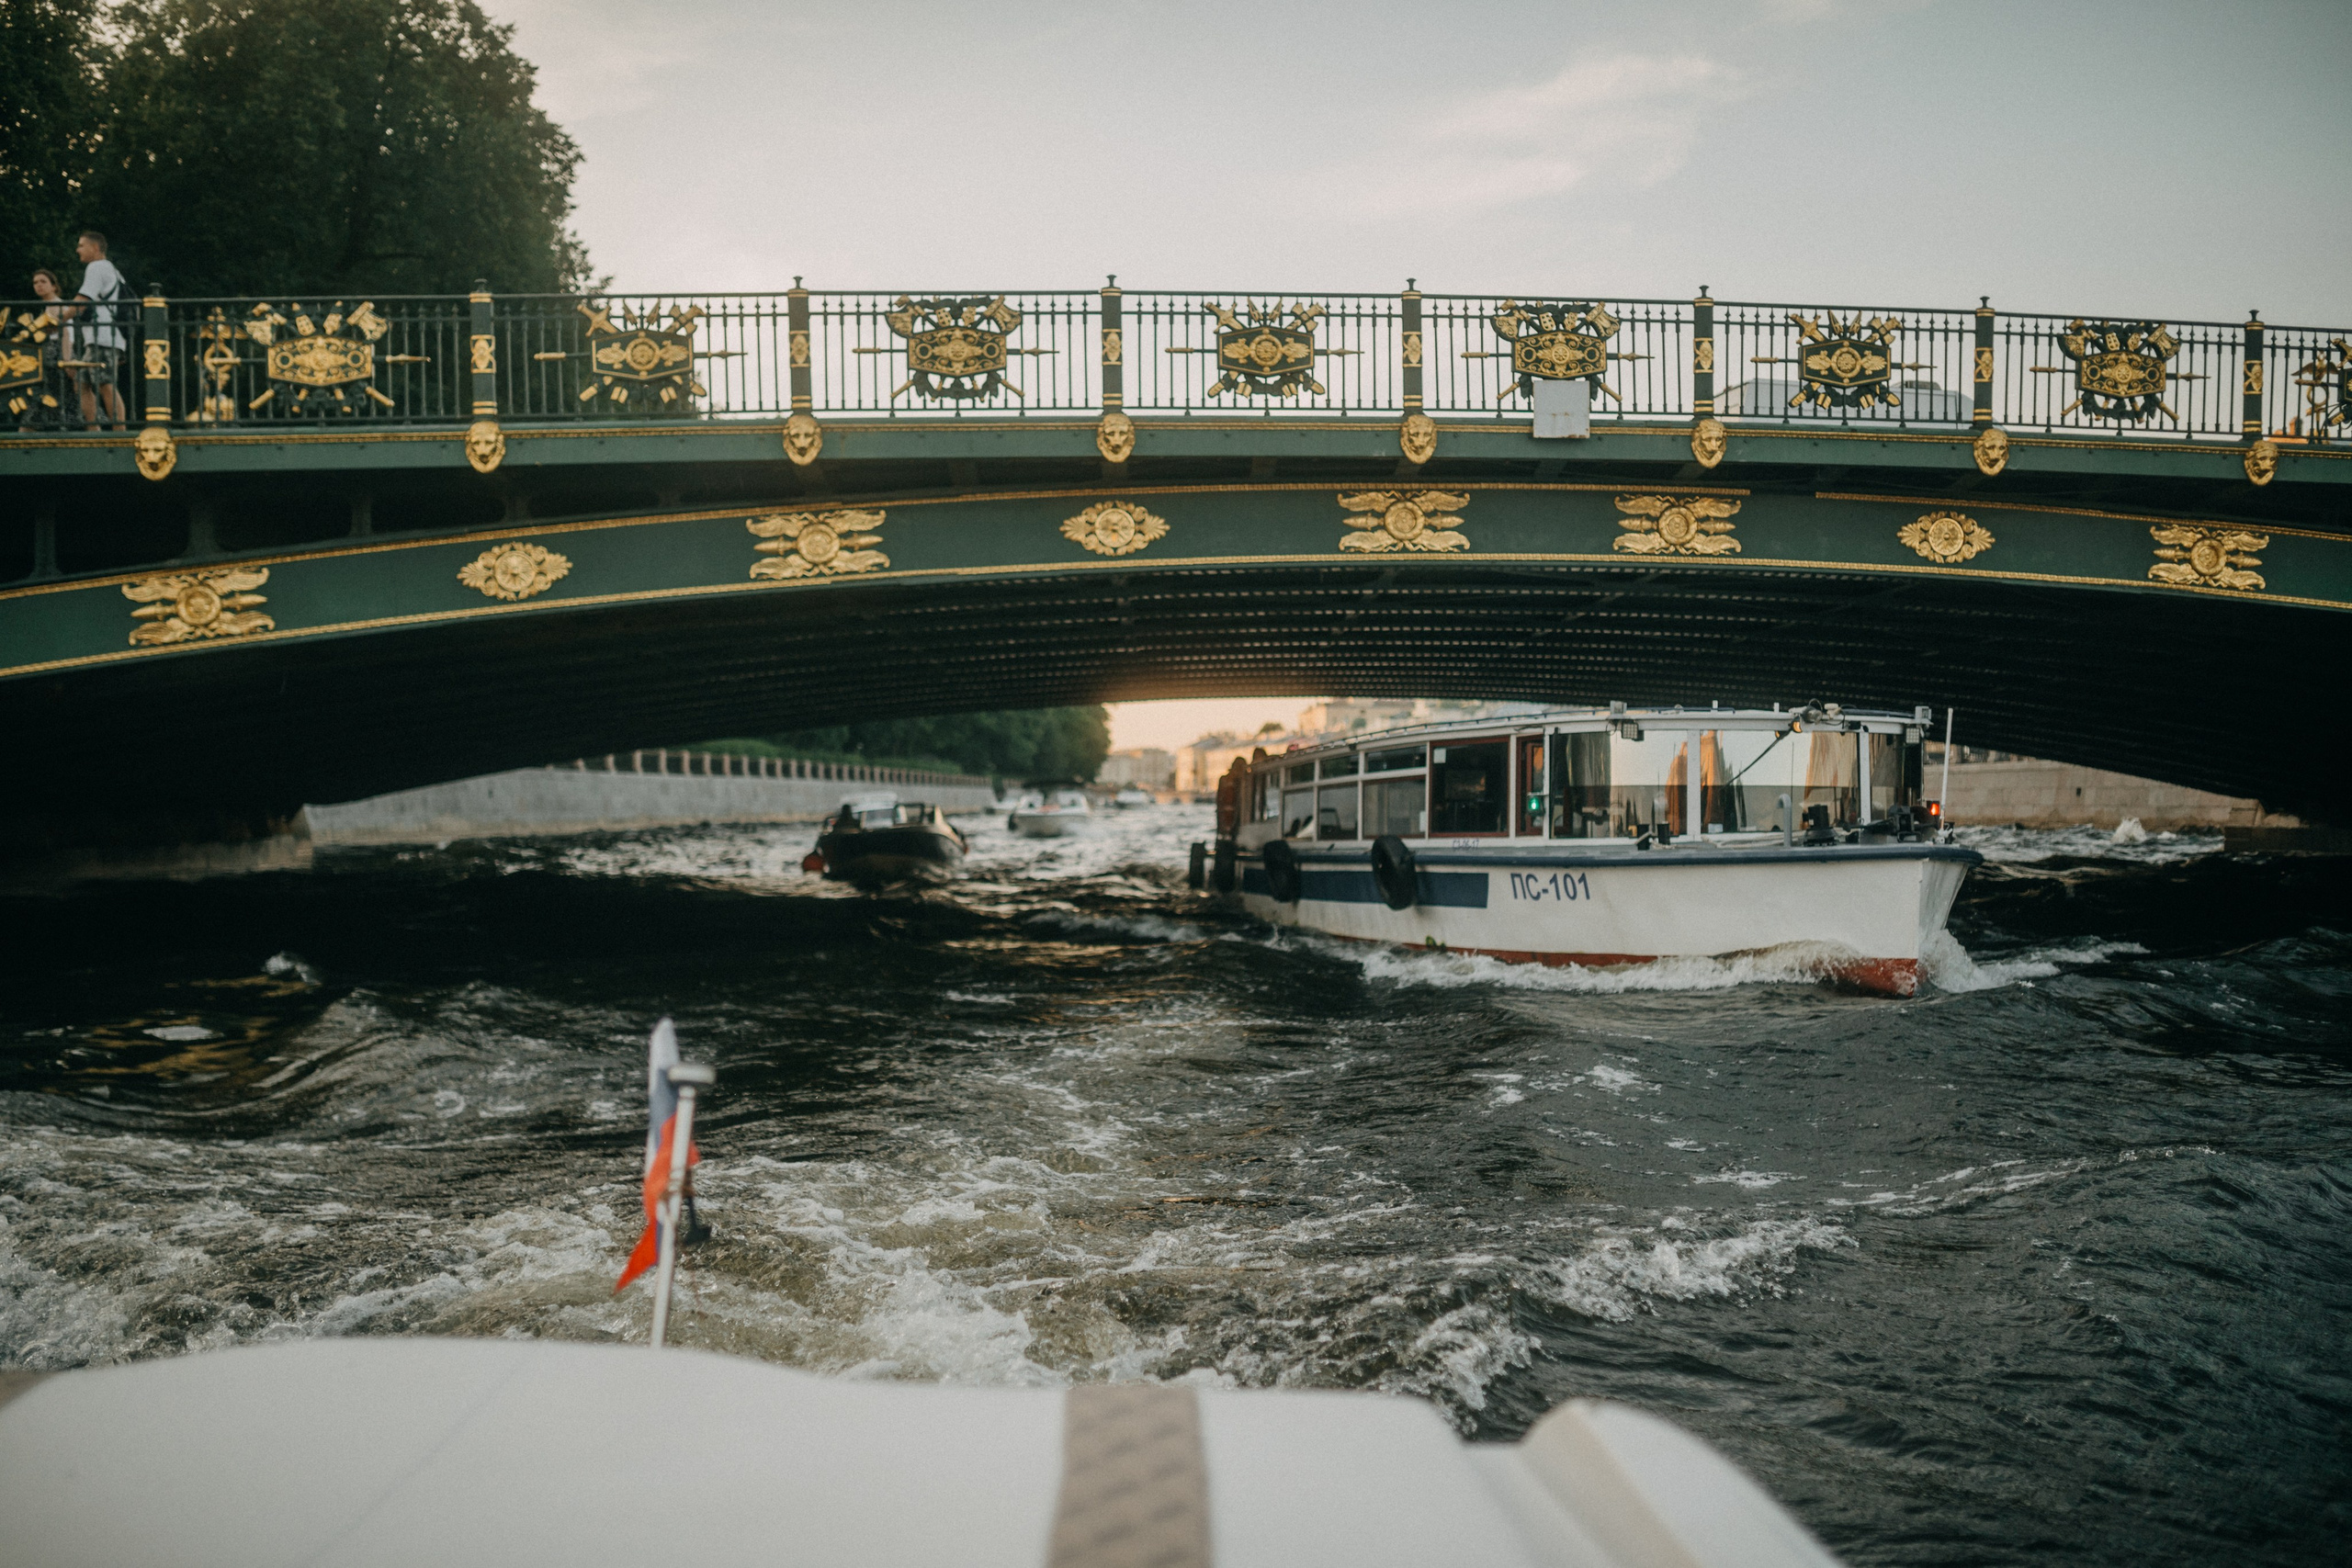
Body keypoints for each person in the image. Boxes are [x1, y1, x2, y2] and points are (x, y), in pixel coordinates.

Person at [64, 231, 129, 430]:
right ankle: (94, 431)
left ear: (95, 248)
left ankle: (120, 433)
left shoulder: (97, 267)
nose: (77, 250)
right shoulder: (110, 270)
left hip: (104, 336)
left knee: (105, 383)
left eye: (81, 245)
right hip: (99, 337)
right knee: (82, 383)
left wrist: (57, 319)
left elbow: (83, 299)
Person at [26, 267, 71, 430]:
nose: (38, 285)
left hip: (55, 356)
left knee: (51, 393)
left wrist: (66, 359)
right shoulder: (47, 307)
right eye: (35, 283)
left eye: (43, 282)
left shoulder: (57, 306)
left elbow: (66, 333)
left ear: (53, 286)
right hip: (48, 356)